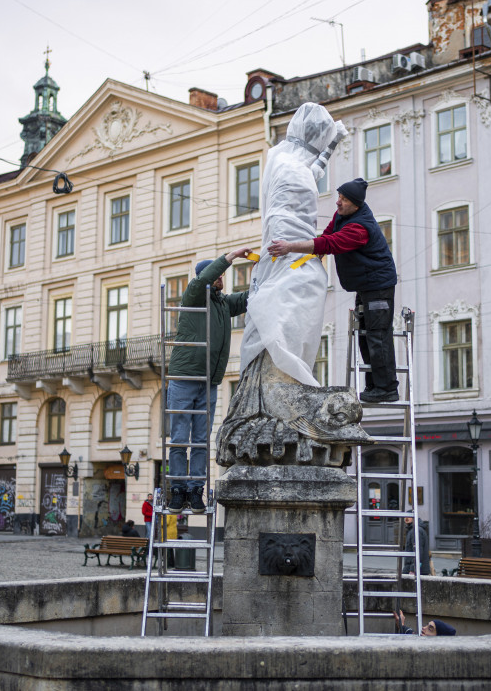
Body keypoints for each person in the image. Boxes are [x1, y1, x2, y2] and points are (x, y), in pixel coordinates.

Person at [268, 175, 399, 403]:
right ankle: (374, 386)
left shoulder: (360, 228)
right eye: (338, 196)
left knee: (377, 337)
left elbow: (330, 243)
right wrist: (310, 256)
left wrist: (290, 247)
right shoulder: (343, 215)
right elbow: (326, 236)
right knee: (365, 337)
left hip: (378, 287)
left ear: (356, 204)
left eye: (344, 199)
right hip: (367, 286)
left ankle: (387, 388)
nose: (337, 202)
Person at [244, 103, 346, 390]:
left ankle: (291, 363)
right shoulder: (291, 170)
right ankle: (288, 364)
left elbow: (313, 171)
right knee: (306, 290)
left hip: (290, 248)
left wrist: (333, 144)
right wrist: (286, 249)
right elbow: (280, 215)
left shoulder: (285, 162)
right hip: (288, 250)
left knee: (304, 290)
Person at [166, 248, 253, 515]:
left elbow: (251, 297)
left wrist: (275, 267)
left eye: (223, 276)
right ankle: (178, 490)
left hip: (209, 381)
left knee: (202, 440)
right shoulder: (193, 296)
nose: (221, 279)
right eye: (218, 275)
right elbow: (204, 279)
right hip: (184, 378)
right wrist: (231, 257)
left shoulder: (223, 304)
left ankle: (195, 491)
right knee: (180, 438)